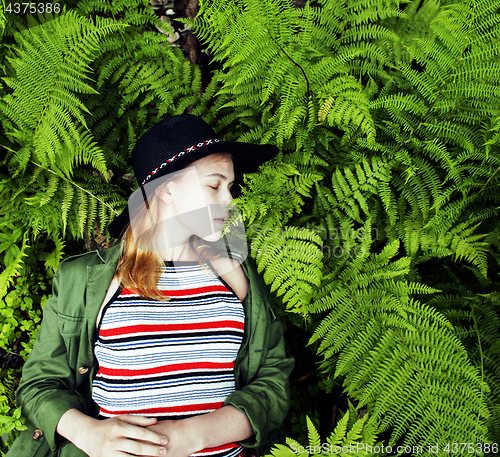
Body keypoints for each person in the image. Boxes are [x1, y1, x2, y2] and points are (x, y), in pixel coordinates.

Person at [6, 114, 294, 457]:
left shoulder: (237, 276)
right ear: (168, 188)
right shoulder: (87, 282)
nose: (229, 200)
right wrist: (90, 434)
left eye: (230, 187)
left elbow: (272, 381)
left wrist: (192, 434)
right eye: (214, 185)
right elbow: (40, 384)